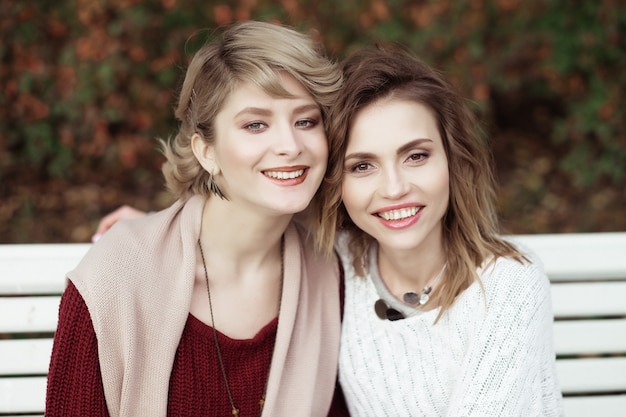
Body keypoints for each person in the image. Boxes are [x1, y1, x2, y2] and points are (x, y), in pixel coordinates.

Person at [46, 21, 348, 417]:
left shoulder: (330, 275)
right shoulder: (118, 278)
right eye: (255, 124)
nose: (290, 146)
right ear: (206, 151)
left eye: (305, 121)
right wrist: (145, 245)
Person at [324, 44, 563, 416]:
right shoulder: (335, 265)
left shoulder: (509, 284)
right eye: (362, 166)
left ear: (453, 158)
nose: (393, 188)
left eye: (416, 156)